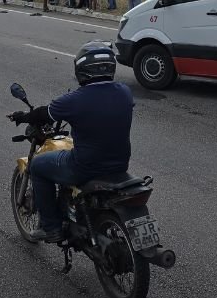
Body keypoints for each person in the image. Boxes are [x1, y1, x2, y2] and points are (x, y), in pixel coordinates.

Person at [8, 42, 134, 243]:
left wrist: (23, 117)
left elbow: (43, 114)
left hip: (85, 167)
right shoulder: (124, 92)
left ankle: (51, 227)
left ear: (81, 69)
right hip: (120, 164)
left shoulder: (75, 100)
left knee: (38, 165)